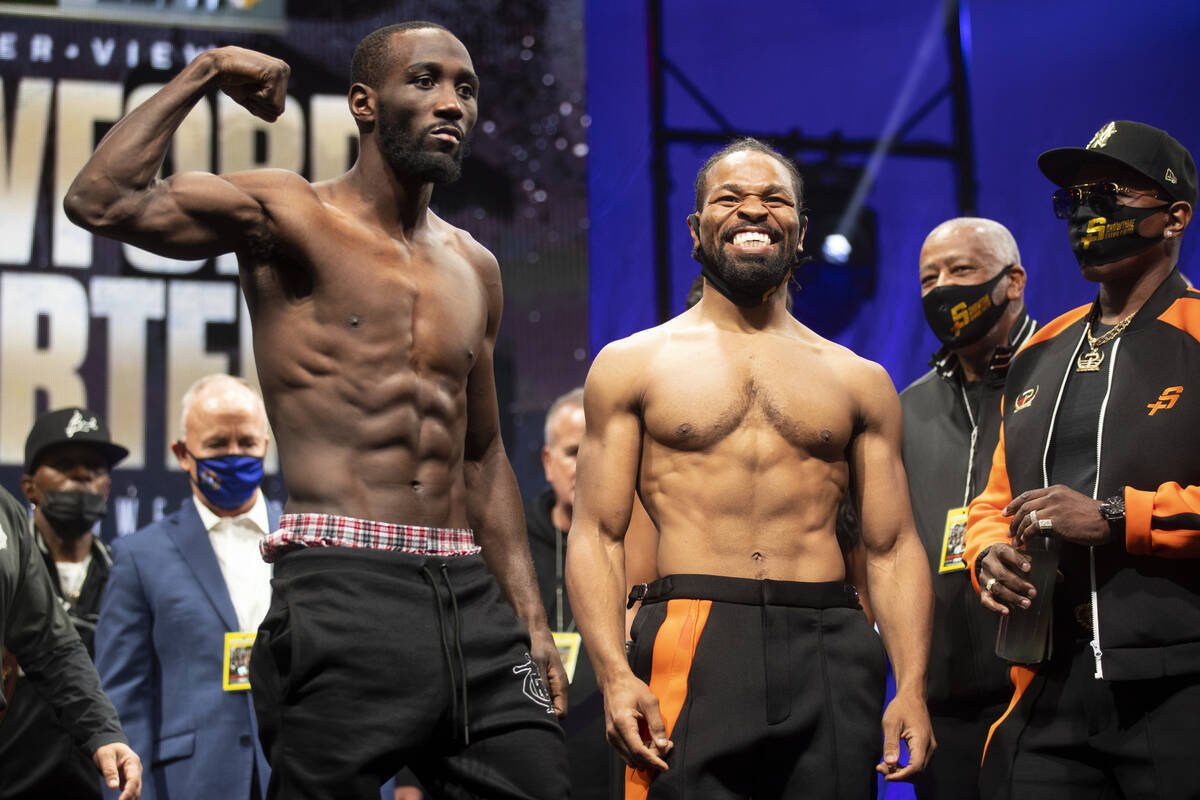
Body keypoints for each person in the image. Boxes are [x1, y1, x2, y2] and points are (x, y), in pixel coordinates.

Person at [65, 21, 566, 799]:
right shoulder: (287, 214)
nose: (451, 104)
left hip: (471, 600)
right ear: (364, 103)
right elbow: (101, 199)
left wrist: (531, 617)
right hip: (345, 588)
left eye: (465, 89)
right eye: (426, 81)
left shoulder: (477, 267)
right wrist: (207, 69)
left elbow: (482, 455)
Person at [566, 137, 934, 800]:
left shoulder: (860, 380)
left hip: (830, 640)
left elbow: (892, 543)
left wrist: (909, 685)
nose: (753, 211)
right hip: (693, 634)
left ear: (801, 229)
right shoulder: (633, 364)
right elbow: (597, 532)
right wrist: (615, 675)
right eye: (729, 198)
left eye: (774, 199)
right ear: (696, 228)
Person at [966, 120, 1199, 799]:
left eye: (1109, 195)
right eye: (1074, 200)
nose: (1087, 213)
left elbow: (1106, 513)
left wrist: (1116, 516)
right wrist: (987, 551)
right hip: (1047, 684)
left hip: (1177, 686)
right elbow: (993, 497)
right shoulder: (1042, 349)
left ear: (1175, 215)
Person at [900, 218, 1036, 800]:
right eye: (929, 278)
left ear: (1014, 281)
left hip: (1051, 696)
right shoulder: (906, 410)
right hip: (944, 706)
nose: (942, 289)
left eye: (961, 270)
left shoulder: (1064, 378)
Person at [95, 375, 276, 800]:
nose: (234, 455)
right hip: (191, 784)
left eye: (247, 443)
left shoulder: (306, 542)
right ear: (182, 453)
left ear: (266, 445)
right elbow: (123, 701)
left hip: (299, 777)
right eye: (216, 445)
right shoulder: (140, 556)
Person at [0, 407, 129, 799]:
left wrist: (105, 734)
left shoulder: (129, 573)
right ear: (30, 486)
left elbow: (54, 648)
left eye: (95, 467)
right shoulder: (16, 550)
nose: (82, 476)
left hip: (97, 783)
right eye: (65, 465)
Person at [526, 387, 610, 800]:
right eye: (573, 451)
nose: (585, 466)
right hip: (529, 764)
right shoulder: (510, 548)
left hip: (611, 765)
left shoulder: (640, 547)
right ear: (548, 462)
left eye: (597, 451)